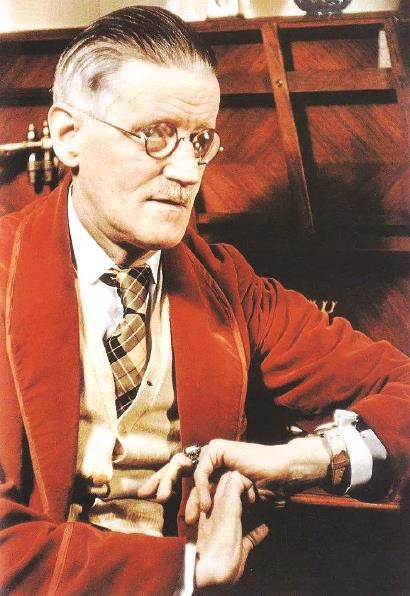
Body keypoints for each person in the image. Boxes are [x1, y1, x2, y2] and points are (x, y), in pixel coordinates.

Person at [0, 5, 409, 594]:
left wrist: (311, 459)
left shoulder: (227, 283)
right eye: (155, 135)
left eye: (199, 140)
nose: (188, 171)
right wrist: (184, 570)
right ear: (68, 137)